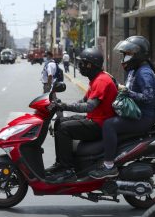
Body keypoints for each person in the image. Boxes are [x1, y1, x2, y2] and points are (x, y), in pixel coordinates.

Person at [88, 36, 155, 179]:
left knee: (109, 125)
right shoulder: (134, 69)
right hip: (134, 112)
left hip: (143, 116)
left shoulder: (144, 72)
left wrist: (127, 92)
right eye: (124, 54)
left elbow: (148, 97)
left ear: (138, 54)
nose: (125, 57)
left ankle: (109, 166)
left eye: (128, 54)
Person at [46, 48, 118, 180]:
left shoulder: (101, 81)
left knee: (64, 129)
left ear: (91, 65)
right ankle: (61, 164)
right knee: (59, 122)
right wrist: (61, 105)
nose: (81, 66)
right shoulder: (96, 79)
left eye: (84, 64)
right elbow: (84, 100)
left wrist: (66, 106)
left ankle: (67, 169)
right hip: (94, 119)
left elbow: (89, 106)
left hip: (99, 124)